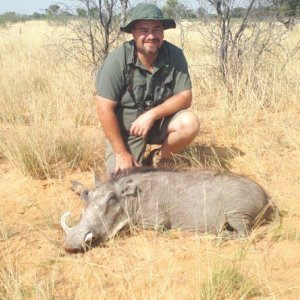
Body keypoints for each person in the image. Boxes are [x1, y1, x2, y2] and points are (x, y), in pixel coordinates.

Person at [95, 3, 199, 176]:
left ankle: (161, 157)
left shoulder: (175, 55)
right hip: (129, 129)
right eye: (143, 30)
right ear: (133, 33)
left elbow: (185, 97)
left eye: (156, 29)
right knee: (122, 178)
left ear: (163, 32)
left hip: (159, 123)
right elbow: (104, 108)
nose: (151, 36)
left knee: (190, 123)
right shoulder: (117, 60)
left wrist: (151, 115)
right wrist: (121, 153)